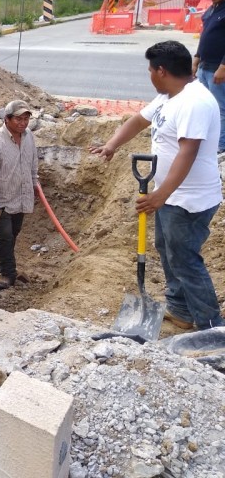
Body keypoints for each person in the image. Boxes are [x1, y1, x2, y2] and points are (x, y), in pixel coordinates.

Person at [90, 40, 224, 331]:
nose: (149, 75)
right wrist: (111, 145)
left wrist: (160, 196)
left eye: (150, 70)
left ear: (161, 71)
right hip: (172, 195)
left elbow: (187, 153)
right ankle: (181, 310)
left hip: (190, 199)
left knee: (185, 259)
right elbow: (138, 121)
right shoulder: (169, 96)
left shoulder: (194, 103)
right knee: (168, 249)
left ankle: (212, 328)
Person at [0, 100, 40, 289]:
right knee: (6, 236)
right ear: (7, 119)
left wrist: (34, 182)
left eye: (26, 118)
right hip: (0, 199)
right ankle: (8, 274)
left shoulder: (29, 138)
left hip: (20, 197)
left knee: (14, 233)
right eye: (18, 119)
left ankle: (2, 265)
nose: (23, 123)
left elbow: (33, 163)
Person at [193, 0, 225, 153]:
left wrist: (223, 66)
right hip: (205, 66)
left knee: (221, 108)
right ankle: (209, 140)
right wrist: (196, 58)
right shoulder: (212, 10)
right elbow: (205, 35)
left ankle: (220, 146)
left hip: (217, 68)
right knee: (206, 106)